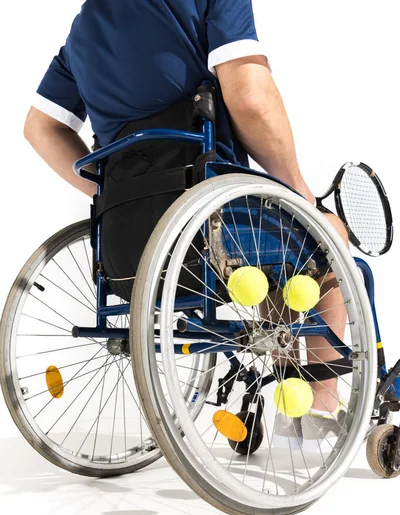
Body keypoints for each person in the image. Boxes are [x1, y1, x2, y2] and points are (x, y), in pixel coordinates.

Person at [24, 0, 348, 451]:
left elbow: (40, 127)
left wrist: (109, 192)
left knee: (273, 243)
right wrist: (299, 192)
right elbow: (251, 98)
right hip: (208, 225)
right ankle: (316, 415)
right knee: (326, 242)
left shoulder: (83, 33)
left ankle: (285, 378)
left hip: (127, 250)